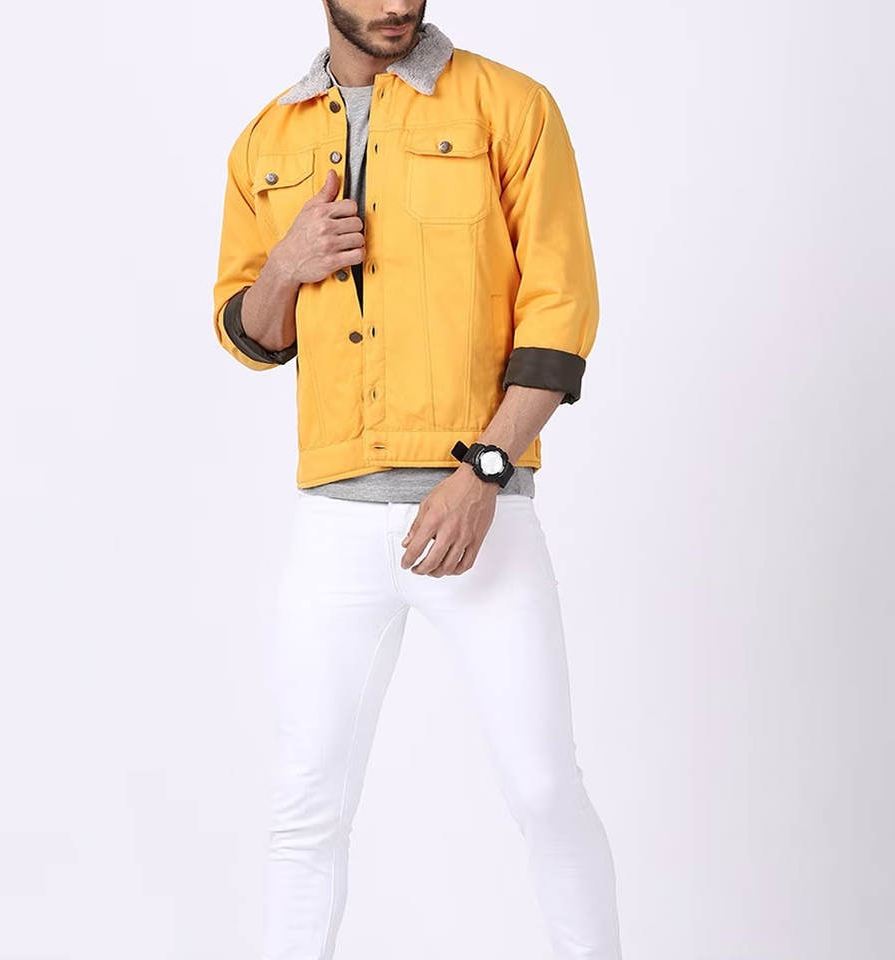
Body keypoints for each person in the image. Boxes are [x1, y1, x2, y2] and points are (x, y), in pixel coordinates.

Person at [212, 4, 622, 958]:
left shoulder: (510, 107)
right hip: (334, 527)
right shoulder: (265, 141)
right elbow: (251, 334)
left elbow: (561, 312)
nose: (397, 5)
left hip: (480, 513)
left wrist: (484, 472)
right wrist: (288, 263)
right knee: (307, 805)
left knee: (543, 788)